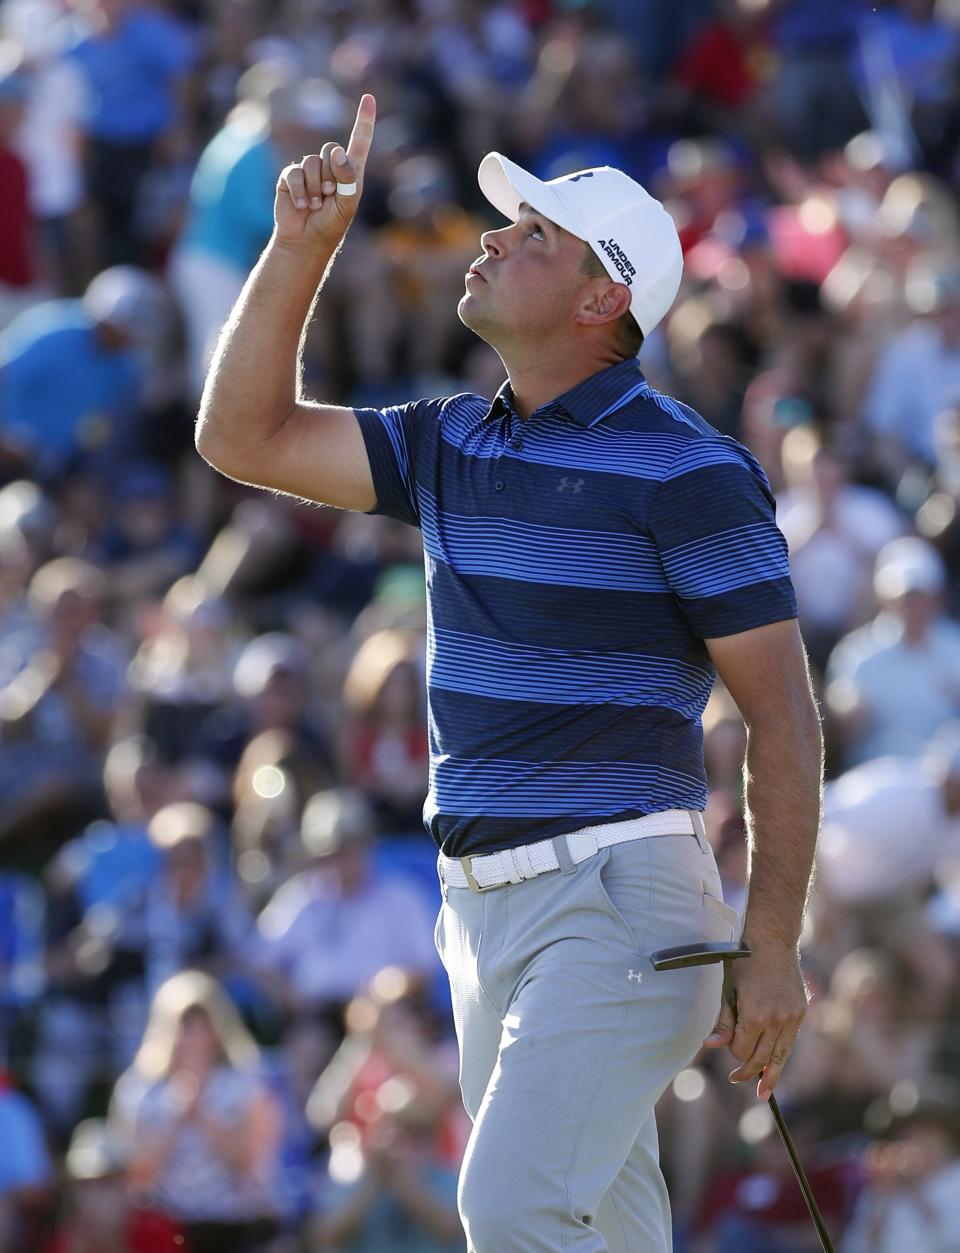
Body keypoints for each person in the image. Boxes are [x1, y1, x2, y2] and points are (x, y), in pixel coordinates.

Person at [195, 94, 823, 1251]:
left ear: (603, 298)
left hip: (621, 901)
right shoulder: (448, 441)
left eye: (535, 234)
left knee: (516, 1208)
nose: (491, 240)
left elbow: (781, 715)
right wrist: (299, 255)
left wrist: (773, 940)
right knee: (603, 1229)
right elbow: (243, 436)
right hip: (482, 914)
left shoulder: (690, 469)